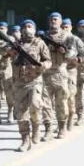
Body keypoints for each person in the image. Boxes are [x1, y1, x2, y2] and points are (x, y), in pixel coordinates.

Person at [7, 19, 51, 152]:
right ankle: (25, 139)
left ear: (35, 29)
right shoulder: (16, 45)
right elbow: (6, 56)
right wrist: (10, 53)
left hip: (35, 80)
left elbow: (48, 61)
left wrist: (42, 65)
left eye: (30, 26)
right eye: (25, 27)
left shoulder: (40, 43)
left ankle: (36, 127)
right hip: (19, 82)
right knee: (21, 113)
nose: (27, 29)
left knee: (35, 105)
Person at [42, 13, 78, 138]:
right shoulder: (43, 36)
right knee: (45, 103)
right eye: (51, 19)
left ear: (61, 21)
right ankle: (48, 129)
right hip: (45, 73)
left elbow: (73, 53)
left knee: (61, 102)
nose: (53, 21)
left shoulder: (68, 36)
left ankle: (62, 127)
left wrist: (65, 52)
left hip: (60, 72)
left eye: (56, 19)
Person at [0, 22, 14, 125]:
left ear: (6, 29)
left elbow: (12, 53)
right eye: (0, 28)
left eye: (3, 28)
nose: (1, 30)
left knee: (9, 92)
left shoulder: (11, 40)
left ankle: (10, 112)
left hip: (6, 69)